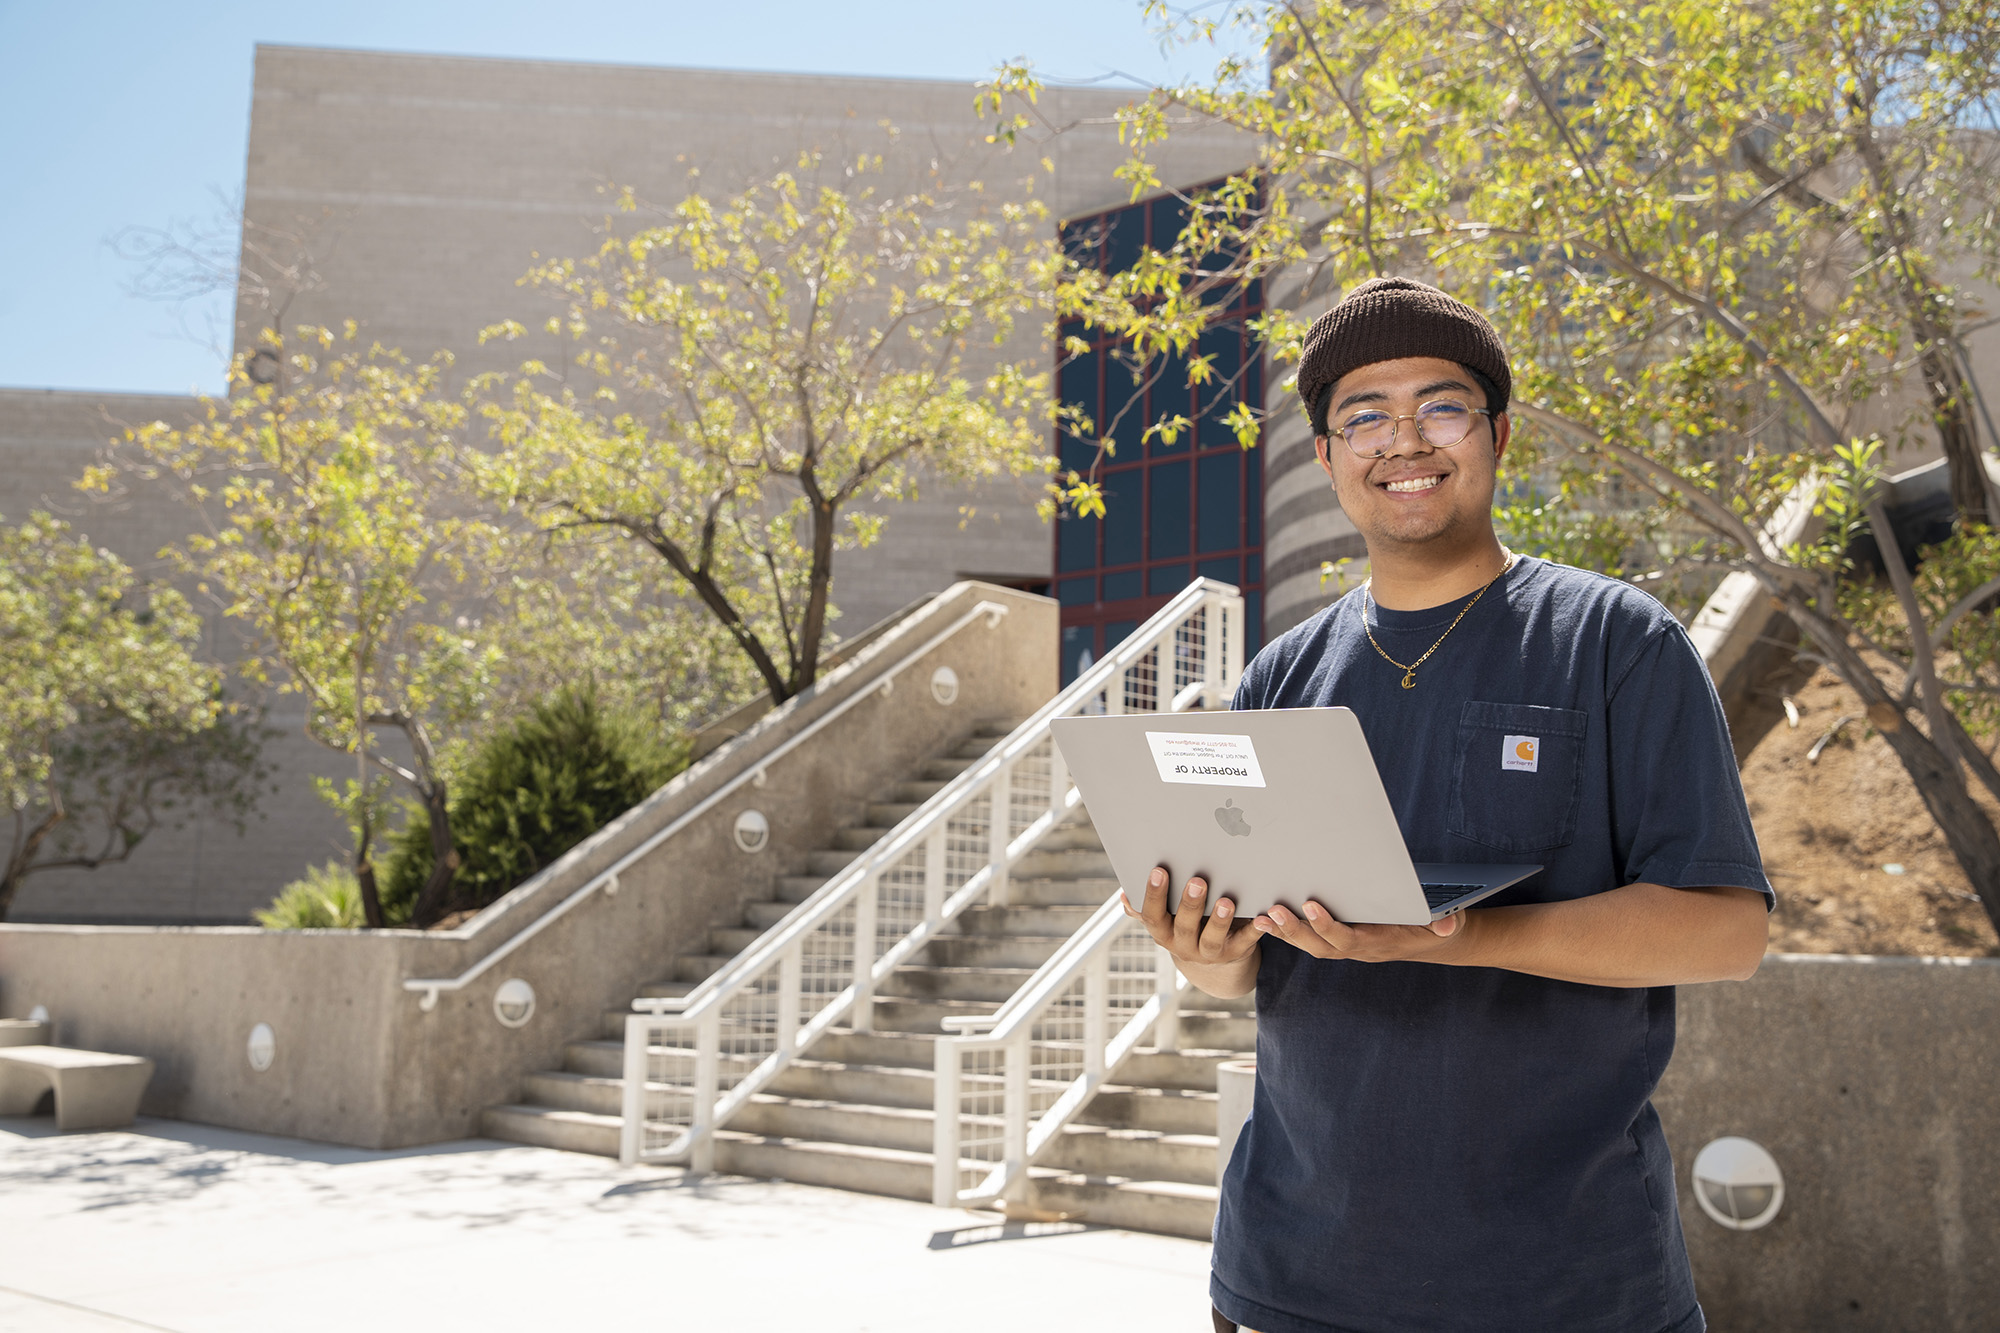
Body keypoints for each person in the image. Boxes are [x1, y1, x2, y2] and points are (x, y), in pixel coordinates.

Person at [1124, 277, 1774, 1333]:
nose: (1403, 441)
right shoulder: (1279, 679)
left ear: (1496, 433)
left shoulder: (1616, 642)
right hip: (1290, 1280)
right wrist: (1195, 940)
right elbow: (1242, 973)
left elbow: (1724, 932)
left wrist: (1449, 937)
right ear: (1328, 457)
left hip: (1564, 1287)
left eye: (1440, 406)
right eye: (1363, 416)